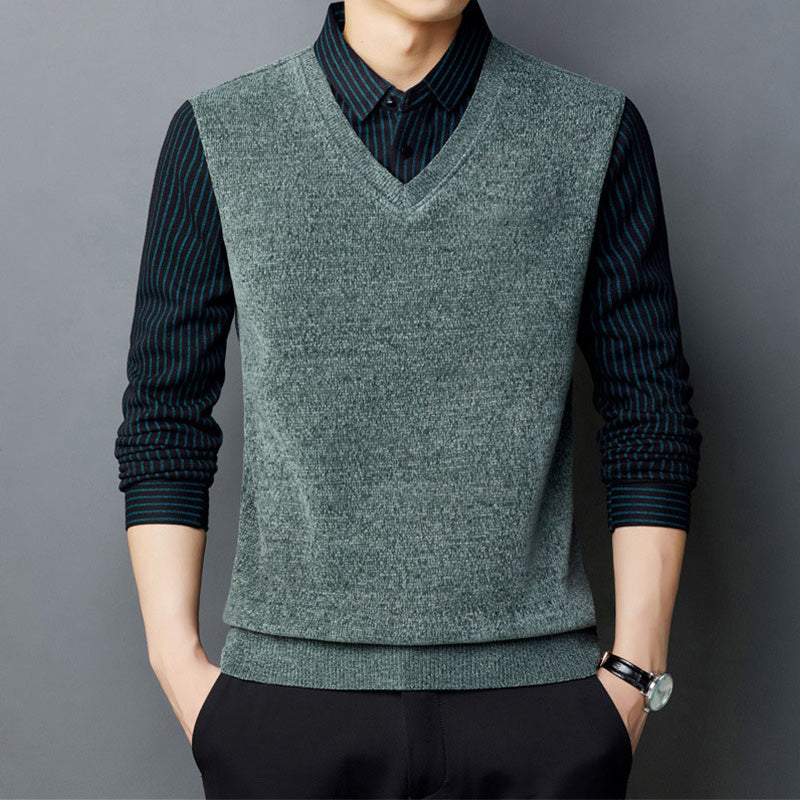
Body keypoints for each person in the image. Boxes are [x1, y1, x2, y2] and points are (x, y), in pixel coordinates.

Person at [114, 1, 702, 797]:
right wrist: (176, 664)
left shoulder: (592, 130)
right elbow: (165, 412)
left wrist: (636, 675)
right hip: (286, 706)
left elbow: (649, 410)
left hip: (539, 706)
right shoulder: (221, 133)